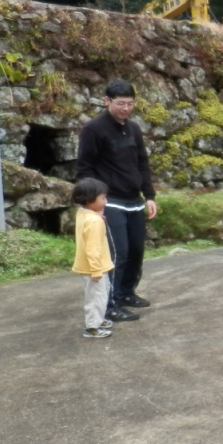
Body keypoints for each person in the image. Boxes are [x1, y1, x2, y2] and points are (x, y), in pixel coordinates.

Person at [75, 78, 158, 323]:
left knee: (135, 251)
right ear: (107, 101)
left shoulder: (133, 129)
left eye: (130, 104)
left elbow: (142, 164)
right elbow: (84, 169)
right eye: (121, 103)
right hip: (110, 201)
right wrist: (92, 204)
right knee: (117, 253)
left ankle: (126, 293)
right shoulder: (93, 129)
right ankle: (110, 304)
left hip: (135, 200)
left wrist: (149, 195)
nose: (125, 108)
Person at [71, 177, 114, 340]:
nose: (106, 201)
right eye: (102, 198)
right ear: (90, 200)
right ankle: (92, 328)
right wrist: (96, 270)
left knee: (100, 295)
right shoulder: (94, 221)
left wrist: (97, 215)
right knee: (97, 297)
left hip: (92, 267)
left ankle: (98, 320)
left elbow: (88, 221)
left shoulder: (84, 214)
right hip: (94, 268)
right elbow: (93, 248)